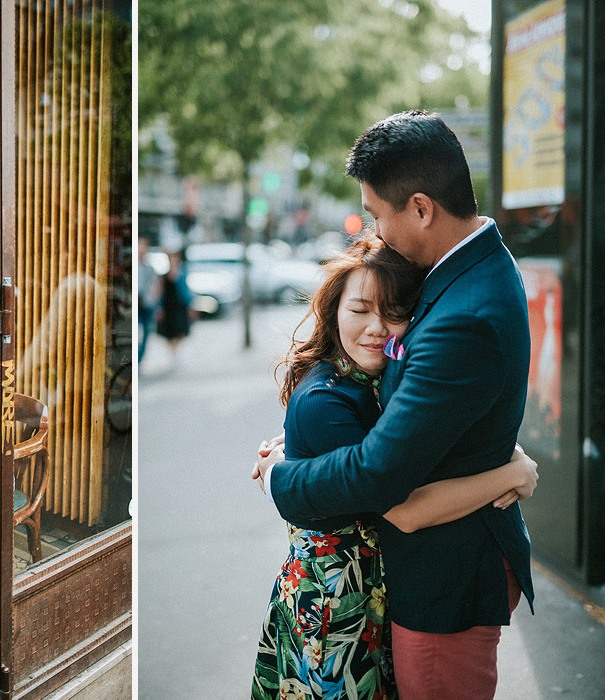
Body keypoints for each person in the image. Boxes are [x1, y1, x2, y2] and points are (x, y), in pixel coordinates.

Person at [257, 110, 534, 700]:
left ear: (421, 208)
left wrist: (285, 477)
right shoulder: (462, 273)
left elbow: (382, 471)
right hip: (434, 570)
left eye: (378, 214)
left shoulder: (464, 313)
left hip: (446, 580)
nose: (376, 232)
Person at [154, 248, 193, 367]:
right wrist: (158, 307)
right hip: (168, 307)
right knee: (170, 332)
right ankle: (173, 355)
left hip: (179, 306)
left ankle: (176, 353)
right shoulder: (163, 276)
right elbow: (159, 292)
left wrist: (190, 305)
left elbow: (186, 291)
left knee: (181, 331)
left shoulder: (181, 275)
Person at [137, 233, 161, 364]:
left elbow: (156, 285)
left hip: (147, 304)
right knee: (138, 333)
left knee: (146, 333)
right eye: (140, 244)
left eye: (145, 245)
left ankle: (139, 361)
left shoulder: (149, 267)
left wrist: (155, 302)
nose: (142, 248)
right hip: (136, 303)